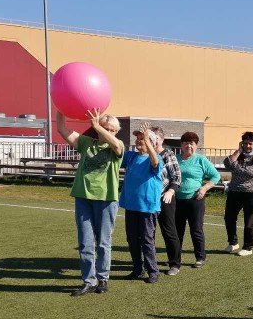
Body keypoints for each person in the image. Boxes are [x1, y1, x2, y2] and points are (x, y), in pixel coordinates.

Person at [56, 108, 124, 296]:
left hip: (106, 199)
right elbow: (62, 128)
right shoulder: (86, 143)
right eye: (105, 128)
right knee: (85, 243)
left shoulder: (117, 145)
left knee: (103, 242)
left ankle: (103, 278)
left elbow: (116, 146)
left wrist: (98, 126)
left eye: (111, 130)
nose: (108, 132)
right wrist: (62, 107)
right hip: (83, 198)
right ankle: (89, 281)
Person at [120, 124, 163, 283]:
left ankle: (153, 271)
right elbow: (116, 151)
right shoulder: (131, 156)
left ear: (151, 142)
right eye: (138, 138)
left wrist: (148, 141)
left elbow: (155, 162)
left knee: (146, 239)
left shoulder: (156, 158)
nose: (139, 141)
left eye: (142, 139)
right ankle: (138, 269)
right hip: (131, 205)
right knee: (132, 239)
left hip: (147, 207)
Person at [175, 131, 221, 268]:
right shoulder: (175, 159)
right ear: (181, 144)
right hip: (177, 200)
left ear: (196, 145)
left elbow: (216, 176)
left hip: (195, 200)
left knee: (196, 230)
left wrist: (204, 188)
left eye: (192, 143)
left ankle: (200, 257)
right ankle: (175, 259)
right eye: (186, 143)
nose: (189, 146)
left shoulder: (201, 160)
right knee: (177, 231)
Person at [223, 131, 253, 256]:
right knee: (229, 218)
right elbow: (227, 164)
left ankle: (248, 247)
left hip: (252, 194)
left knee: (250, 223)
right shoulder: (238, 156)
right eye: (245, 143)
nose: (247, 146)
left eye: (250, 143)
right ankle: (233, 243)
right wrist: (238, 151)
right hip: (234, 192)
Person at [150, 126, 183, 276]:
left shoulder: (168, 154)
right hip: (148, 200)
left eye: (156, 138)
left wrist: (170, 191)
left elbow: (177, 176)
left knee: (169, 231)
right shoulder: (146, 154)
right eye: (151, 138)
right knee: (148, 233)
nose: (153, 141)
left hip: (165, 198)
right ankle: (150, 262)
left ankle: (174, 263)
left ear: (162, 140)